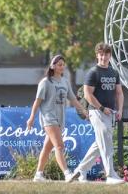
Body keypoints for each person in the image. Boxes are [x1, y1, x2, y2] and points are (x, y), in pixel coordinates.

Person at [67, 42, 125, 185]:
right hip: (96, 112)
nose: (103, 57)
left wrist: (120, 110)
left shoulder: (114, 72)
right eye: (101, 54)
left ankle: (81, 170)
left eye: (106, 54)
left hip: (110, 113)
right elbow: (87, 94)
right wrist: (101, 108)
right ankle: (110, 175)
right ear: (97, 55)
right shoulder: (93, 72)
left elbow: (119, 93)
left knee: (100, 144)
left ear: (110, 55)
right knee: (106, 140)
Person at [26, 54, 88, 182]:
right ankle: (67, 174)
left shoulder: (65, 81)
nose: (62, 67)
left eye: (63, 65)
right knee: (59, 146)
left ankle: (38, 175)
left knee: (47, 147)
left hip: (60, 118)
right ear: (52, 66)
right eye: (59, 64)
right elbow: (37, 102)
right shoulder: (45, 82)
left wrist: (83, 110)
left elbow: (72, 98)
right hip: (48, 117)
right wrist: (31, 117)